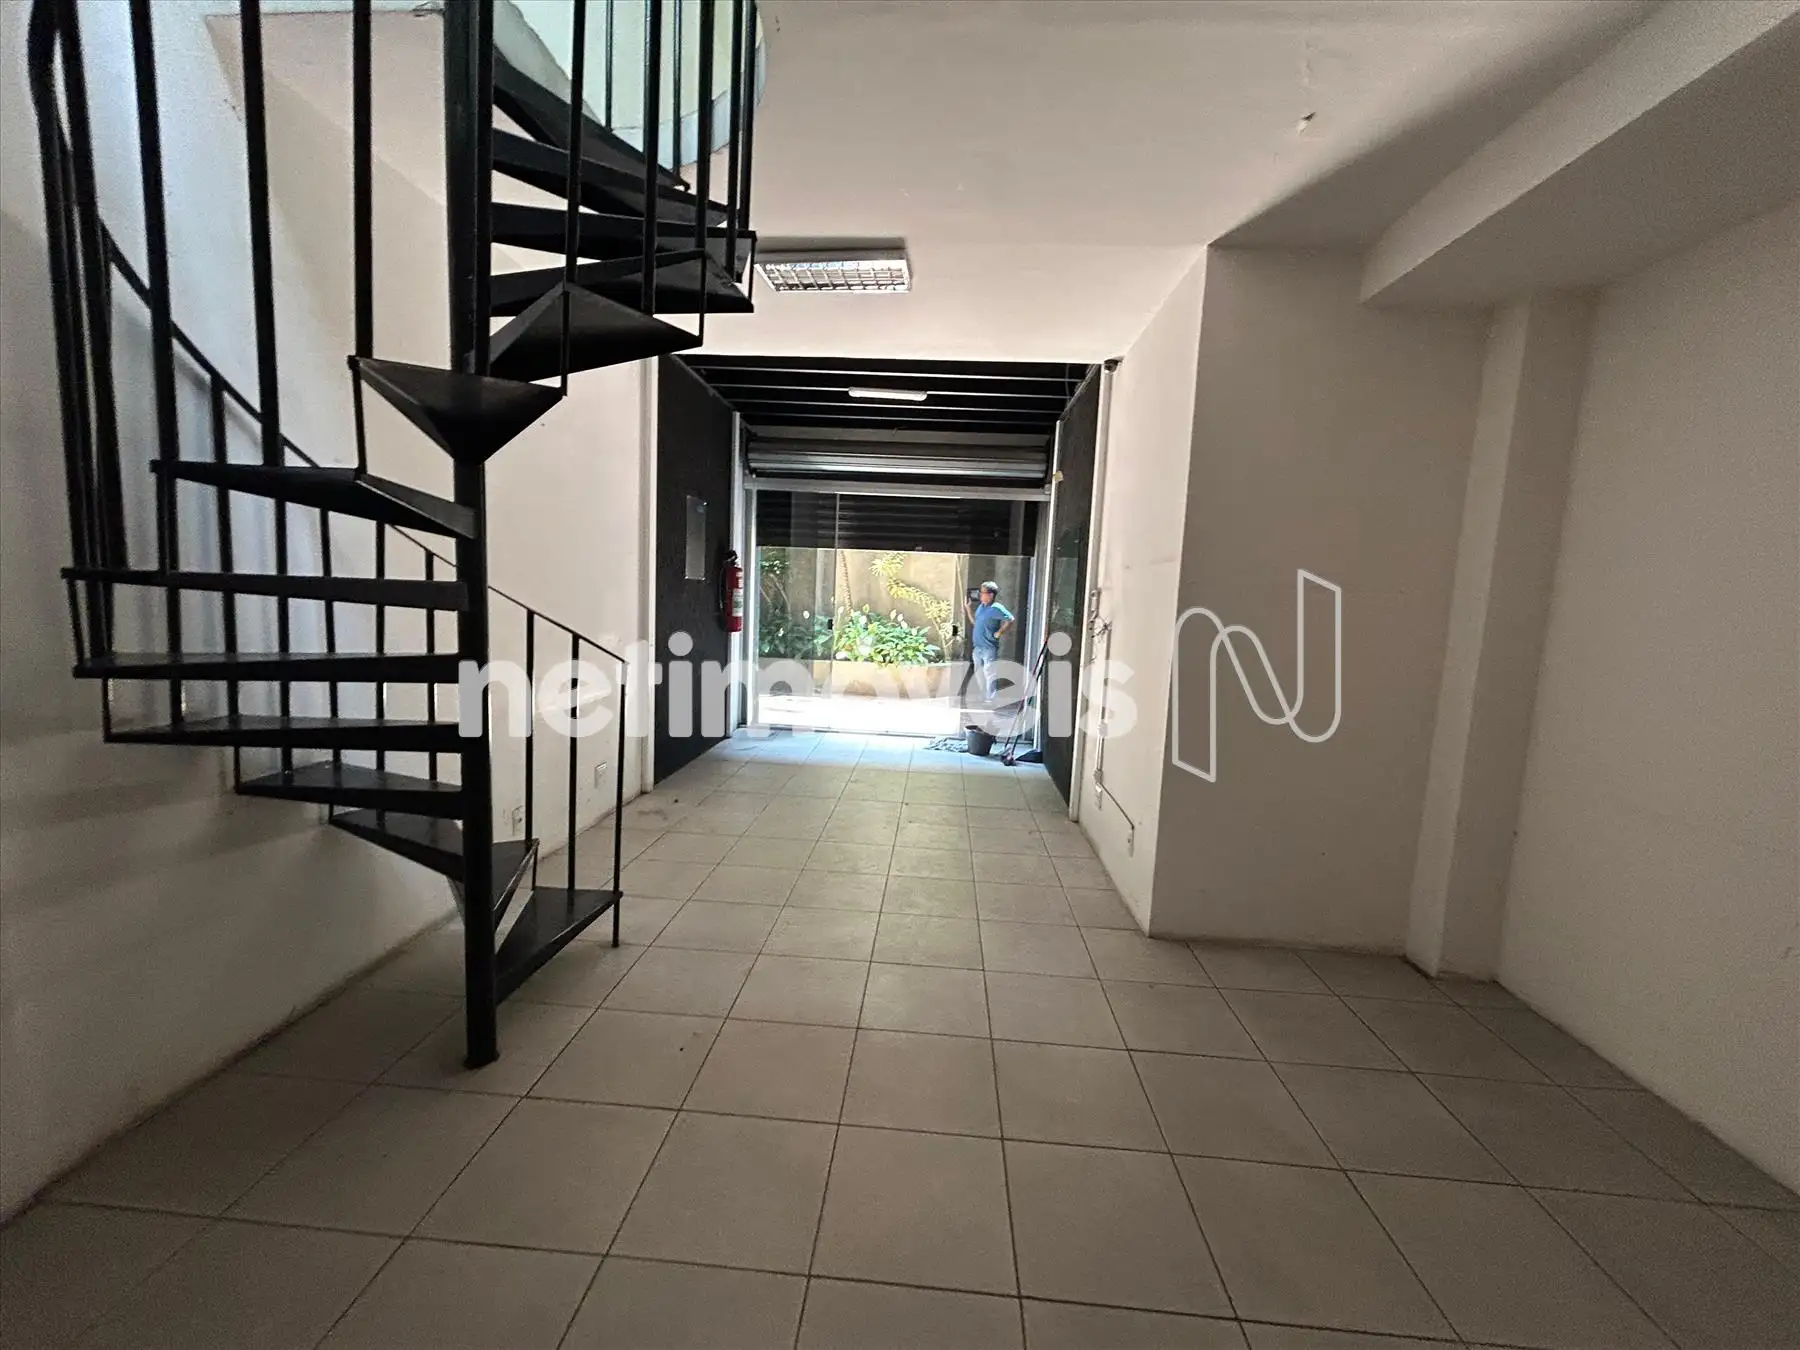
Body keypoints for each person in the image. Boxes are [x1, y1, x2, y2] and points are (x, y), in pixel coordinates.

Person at [964, 580, 1014, 704]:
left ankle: (991, 698)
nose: (980, 595)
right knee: (979, 673)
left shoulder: (996, 608)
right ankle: (983, 696)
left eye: (983, 592)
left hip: (988, 647)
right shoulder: (981, 607)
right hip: (977, 647)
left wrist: (999, 632)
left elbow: (1010, 619)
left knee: (989, 673)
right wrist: (968, 609)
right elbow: (975, 622)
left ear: (991, 595)